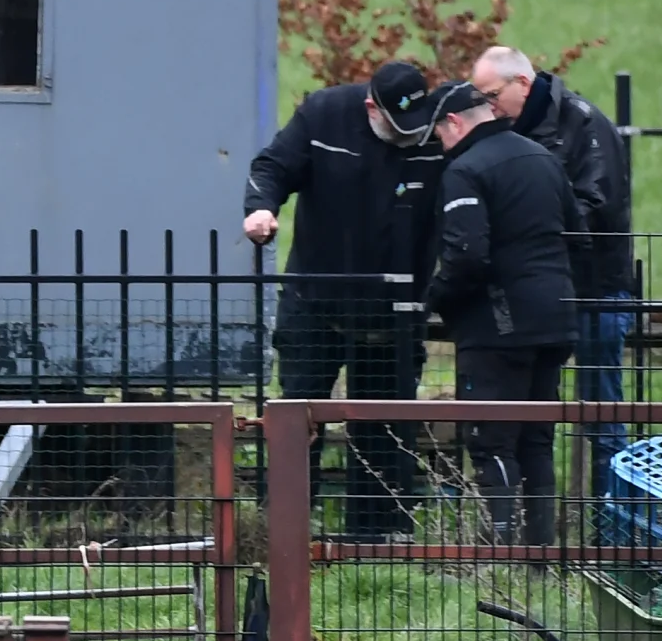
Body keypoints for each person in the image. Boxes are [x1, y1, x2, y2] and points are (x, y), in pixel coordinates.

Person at [244, 57, 447, 537]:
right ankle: (284, 530)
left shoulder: (436, 134)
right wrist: (261, 210)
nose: (407, 136)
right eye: (397, 126)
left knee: (383, 425)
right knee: (297, 417)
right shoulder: (323, 115)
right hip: (316, 302)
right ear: (370, 106)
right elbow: (271, 166)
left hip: (395, 311)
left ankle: (377, 538)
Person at [425, 79, 581, 549]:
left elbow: (467, 255)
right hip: (556, 318)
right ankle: (540, 553)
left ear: (454, 123)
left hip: (496, 328)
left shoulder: (465, 170)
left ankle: (501, 549)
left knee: (491, 440)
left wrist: (435, 301)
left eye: (439, 136)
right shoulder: (543, 158)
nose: (442, 147)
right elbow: (579, 233)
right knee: (536, 440)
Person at [474, 45, 633, 497]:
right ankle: (534, 519)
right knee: (531, 414)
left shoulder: (584, 123)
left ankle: (610, 527)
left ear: (521, 84)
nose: (486, 105)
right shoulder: (508, 129)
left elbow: (597, 207)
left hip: (593, 289)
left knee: (601, 416)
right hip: (538, 290)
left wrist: (530, 232)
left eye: (490, 94)